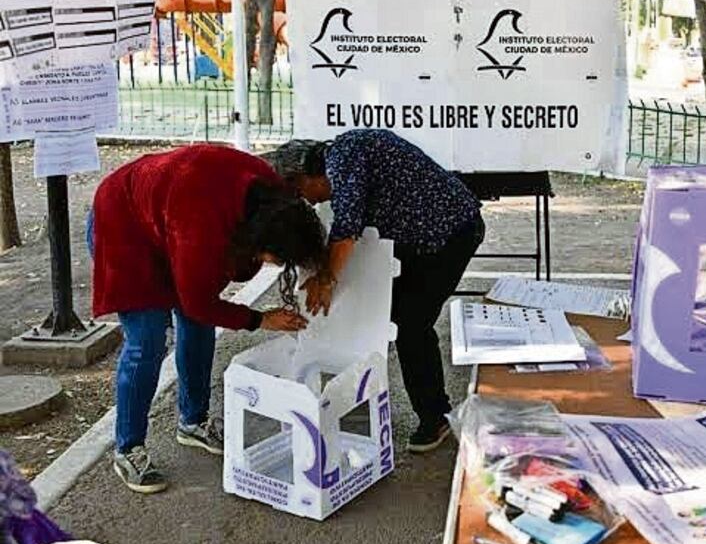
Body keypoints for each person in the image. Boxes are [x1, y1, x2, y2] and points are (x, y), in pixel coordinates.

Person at [90, 144, 326, 493]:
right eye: (277, 259)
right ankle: (129, 448)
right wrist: (259, 319)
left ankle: (193, 422)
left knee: (198, 328)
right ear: (261, 242)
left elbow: (200, 301)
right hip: (124, 224)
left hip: (170, 210)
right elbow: (198, 302)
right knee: (148, 340)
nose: (275, 265)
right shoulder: (203, 226)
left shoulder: (274, 199)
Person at [265, 130, 484, 453]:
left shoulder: (344, 160)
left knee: (412, 324)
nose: (308, 201)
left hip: (450, 234)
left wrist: (326, 280)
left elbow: (346, 230)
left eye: (300, 192)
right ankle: (362, 399)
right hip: (421, 237)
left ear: (305, 175)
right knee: (385, 314)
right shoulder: (343, 155)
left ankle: (435, 417)